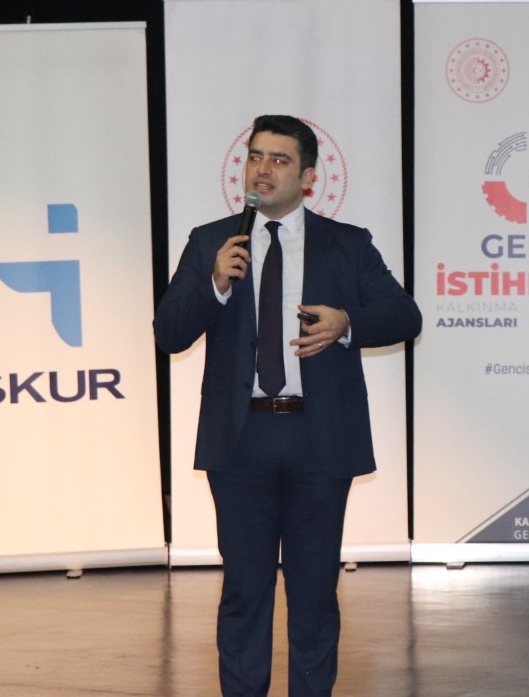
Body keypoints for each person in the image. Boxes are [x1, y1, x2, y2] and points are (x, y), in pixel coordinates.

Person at [155, 114, 421, 697]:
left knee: (314, 593)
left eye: (279, 160)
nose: (263, 169)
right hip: (241, 438)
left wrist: (348, 322)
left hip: (318, 437)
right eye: (255, 156)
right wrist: (215, 285)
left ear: (308, 176)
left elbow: (406, 315)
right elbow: (168, 333)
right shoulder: (211, 242)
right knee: (244, 591)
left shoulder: (346, 243)